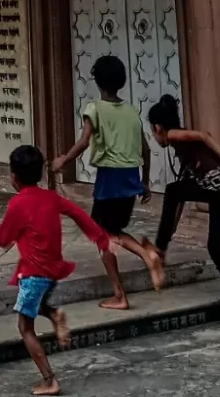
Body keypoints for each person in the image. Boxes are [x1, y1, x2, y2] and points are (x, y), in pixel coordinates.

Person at [0, 143, 118, 395]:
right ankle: (54, 315)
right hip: (51, 271)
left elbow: (1, 239)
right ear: (41, 174)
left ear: (13, 177)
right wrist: (101, 238)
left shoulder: (18, 204)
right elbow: (80, 214)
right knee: (32, 304)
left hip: (35, 275)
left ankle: (49, 379)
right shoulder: (51, 197)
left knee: (25, 327)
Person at [51, 54, 160, 308]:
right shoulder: (132, 111)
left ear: (98, 82)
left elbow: (84, 141)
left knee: (102, 234)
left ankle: (137, 267)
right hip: (131, 176)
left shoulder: (95, 108)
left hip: (110, 177)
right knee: (110, 232)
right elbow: (145, 149)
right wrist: (145, 182)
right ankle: (125, 284)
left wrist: (62, 160)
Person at [146, 93, 220, 330]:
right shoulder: (186, 156)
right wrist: (166, 242)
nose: (156, 138)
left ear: (158, 127)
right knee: (214, 248)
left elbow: (205, 136)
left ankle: (158, 249)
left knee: (173, 191)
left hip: (219, 187)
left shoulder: (174, 135)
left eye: (153, 133)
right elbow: (178, 205)